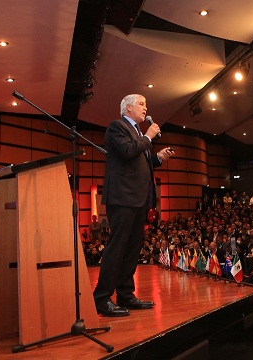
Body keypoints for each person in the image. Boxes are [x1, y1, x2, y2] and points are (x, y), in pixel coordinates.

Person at [93, 94, 175, 317]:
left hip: (138, 199)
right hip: (122, 198)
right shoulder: (117, 127)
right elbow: (128, 151)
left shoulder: (139, 133)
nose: (145, 107)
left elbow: (140, 161)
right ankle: (102, 299)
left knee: (131, 249)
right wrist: (148, 137)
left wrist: (157, 157)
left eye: (146, 104)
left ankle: (126, 295)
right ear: (127, 108)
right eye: (141, 104)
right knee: (117, 247)